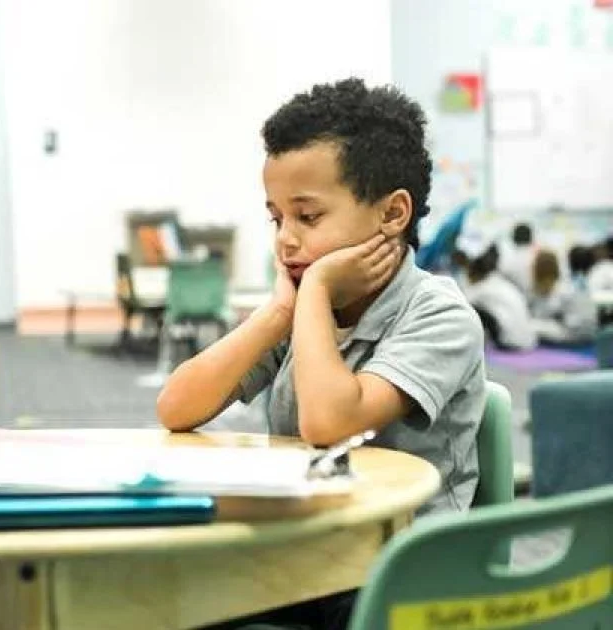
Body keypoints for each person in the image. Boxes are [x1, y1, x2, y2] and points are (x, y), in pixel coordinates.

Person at [157, 79, 486, 630]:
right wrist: (281, 313)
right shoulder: (303, 313)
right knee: (173, 596)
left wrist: (310, 295)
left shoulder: (440, 315)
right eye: (275, 218)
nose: (286, 239)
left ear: (392, 214)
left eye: (307, 218)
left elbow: (328, 422)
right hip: (305, 548)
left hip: (397, 569)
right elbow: (177, 406)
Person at [461, 243, 537, 351]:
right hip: (528, 341)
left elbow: (463, 302)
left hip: (510, 342)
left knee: (471, 309)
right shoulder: (500, 283)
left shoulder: (482, 287)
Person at [529, 249, 597, 346]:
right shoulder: (566, 285)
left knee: (530, 325)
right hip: (589, 334)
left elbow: (544, 314)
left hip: (572, 334)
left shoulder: (558, 290)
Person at [499, 222, 536, 295]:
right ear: (531, 239)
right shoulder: (537, 260)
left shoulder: (506, 261)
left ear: (514, 239)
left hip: (512, 298)